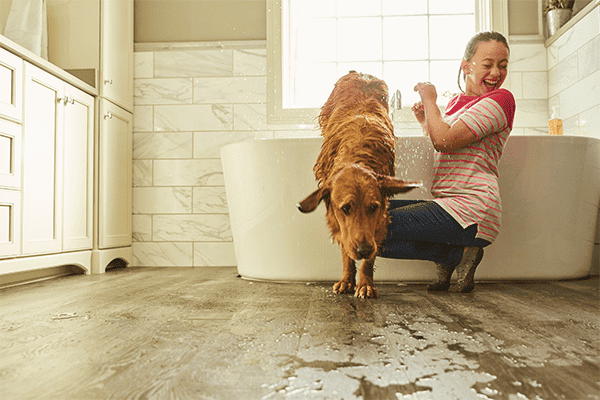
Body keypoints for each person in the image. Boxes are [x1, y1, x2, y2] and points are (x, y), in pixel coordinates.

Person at [380, 31, 516, 293]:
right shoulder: (456, 103)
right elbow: (443, 148)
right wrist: (426, 122)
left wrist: (430, 100)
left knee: (372, 223)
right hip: (449, 204)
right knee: (365, 222)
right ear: (466, 66)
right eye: (488, 65)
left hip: (473, 208)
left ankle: (454, 254)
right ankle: (452, 255)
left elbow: (444, 141)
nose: (496, 73)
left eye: (503, 65)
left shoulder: (501, 100)